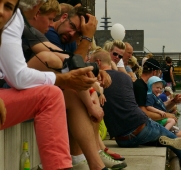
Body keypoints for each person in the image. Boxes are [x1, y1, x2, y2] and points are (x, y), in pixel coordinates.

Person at [20, 2, 126, 169]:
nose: (72, 33)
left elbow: (74, 63)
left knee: (76, 94)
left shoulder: (55, 36)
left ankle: (93, 162)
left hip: (37, 83)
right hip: (23, 83)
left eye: (78, 33)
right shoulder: (50, 33)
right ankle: (89, 156)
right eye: (49, 19)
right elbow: (69, 64)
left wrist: (93, 77)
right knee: (64, 76)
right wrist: (86, 39)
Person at [0, 0, 99, 169]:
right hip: (11, 85)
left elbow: (68, 60)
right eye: (51, 19)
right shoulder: (30, 24)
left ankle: (93, 158)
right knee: (55, 90)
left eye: (8, 6)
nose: (2, 11)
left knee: (62, 92)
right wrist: (86, 39)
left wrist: (92, 81)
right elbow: (21, 75)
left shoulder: (15, 19)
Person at [89, 49, 181, 170]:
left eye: (90, 64)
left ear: (98, 62)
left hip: (122, 139)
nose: (89, 67)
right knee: (178, 143)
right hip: (140, 127)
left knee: (161, 137)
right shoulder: (125, 78)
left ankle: (162, 139)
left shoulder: (95, 83)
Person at [133, 58, 181, 170]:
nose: (160, 75)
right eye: (159, 72)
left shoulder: (147, 88)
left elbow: (158, 107)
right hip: (146, 129)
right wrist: (168, 115)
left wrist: (173, 101)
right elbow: (143, 113)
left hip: (151, 126)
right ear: (155, 72)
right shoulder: (141, 87)